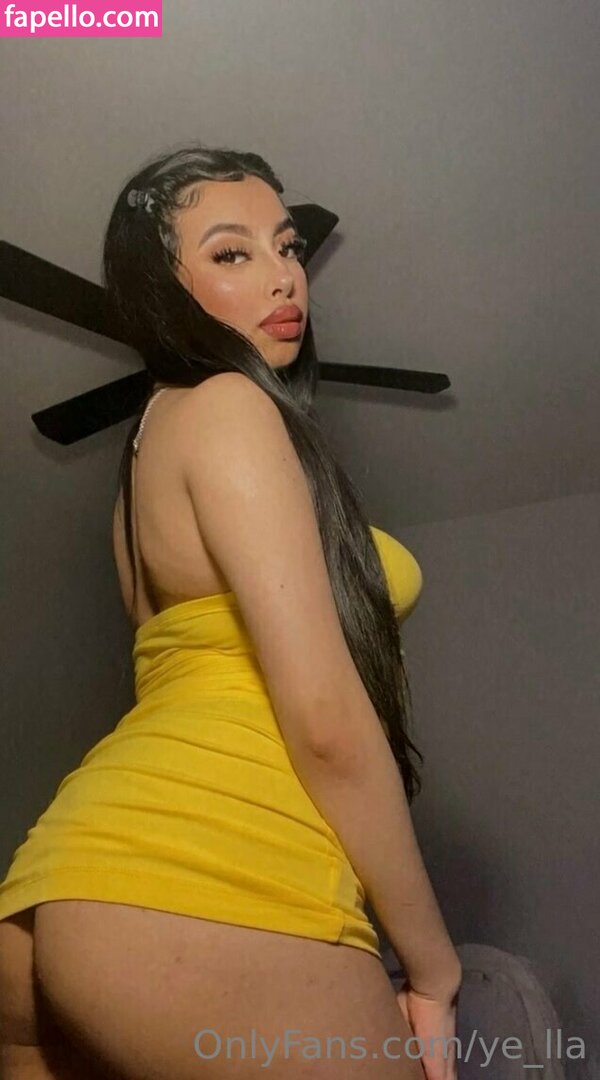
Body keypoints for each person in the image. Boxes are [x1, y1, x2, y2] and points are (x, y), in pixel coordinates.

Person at [0, 143, 461, 1080]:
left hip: (60, 885)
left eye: (286, 245)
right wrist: (434, 968)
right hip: (213, 875)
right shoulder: (226, 405)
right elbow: (325, 723)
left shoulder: (143, 465)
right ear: (160, 290)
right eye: (230, 252)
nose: (285, 274)